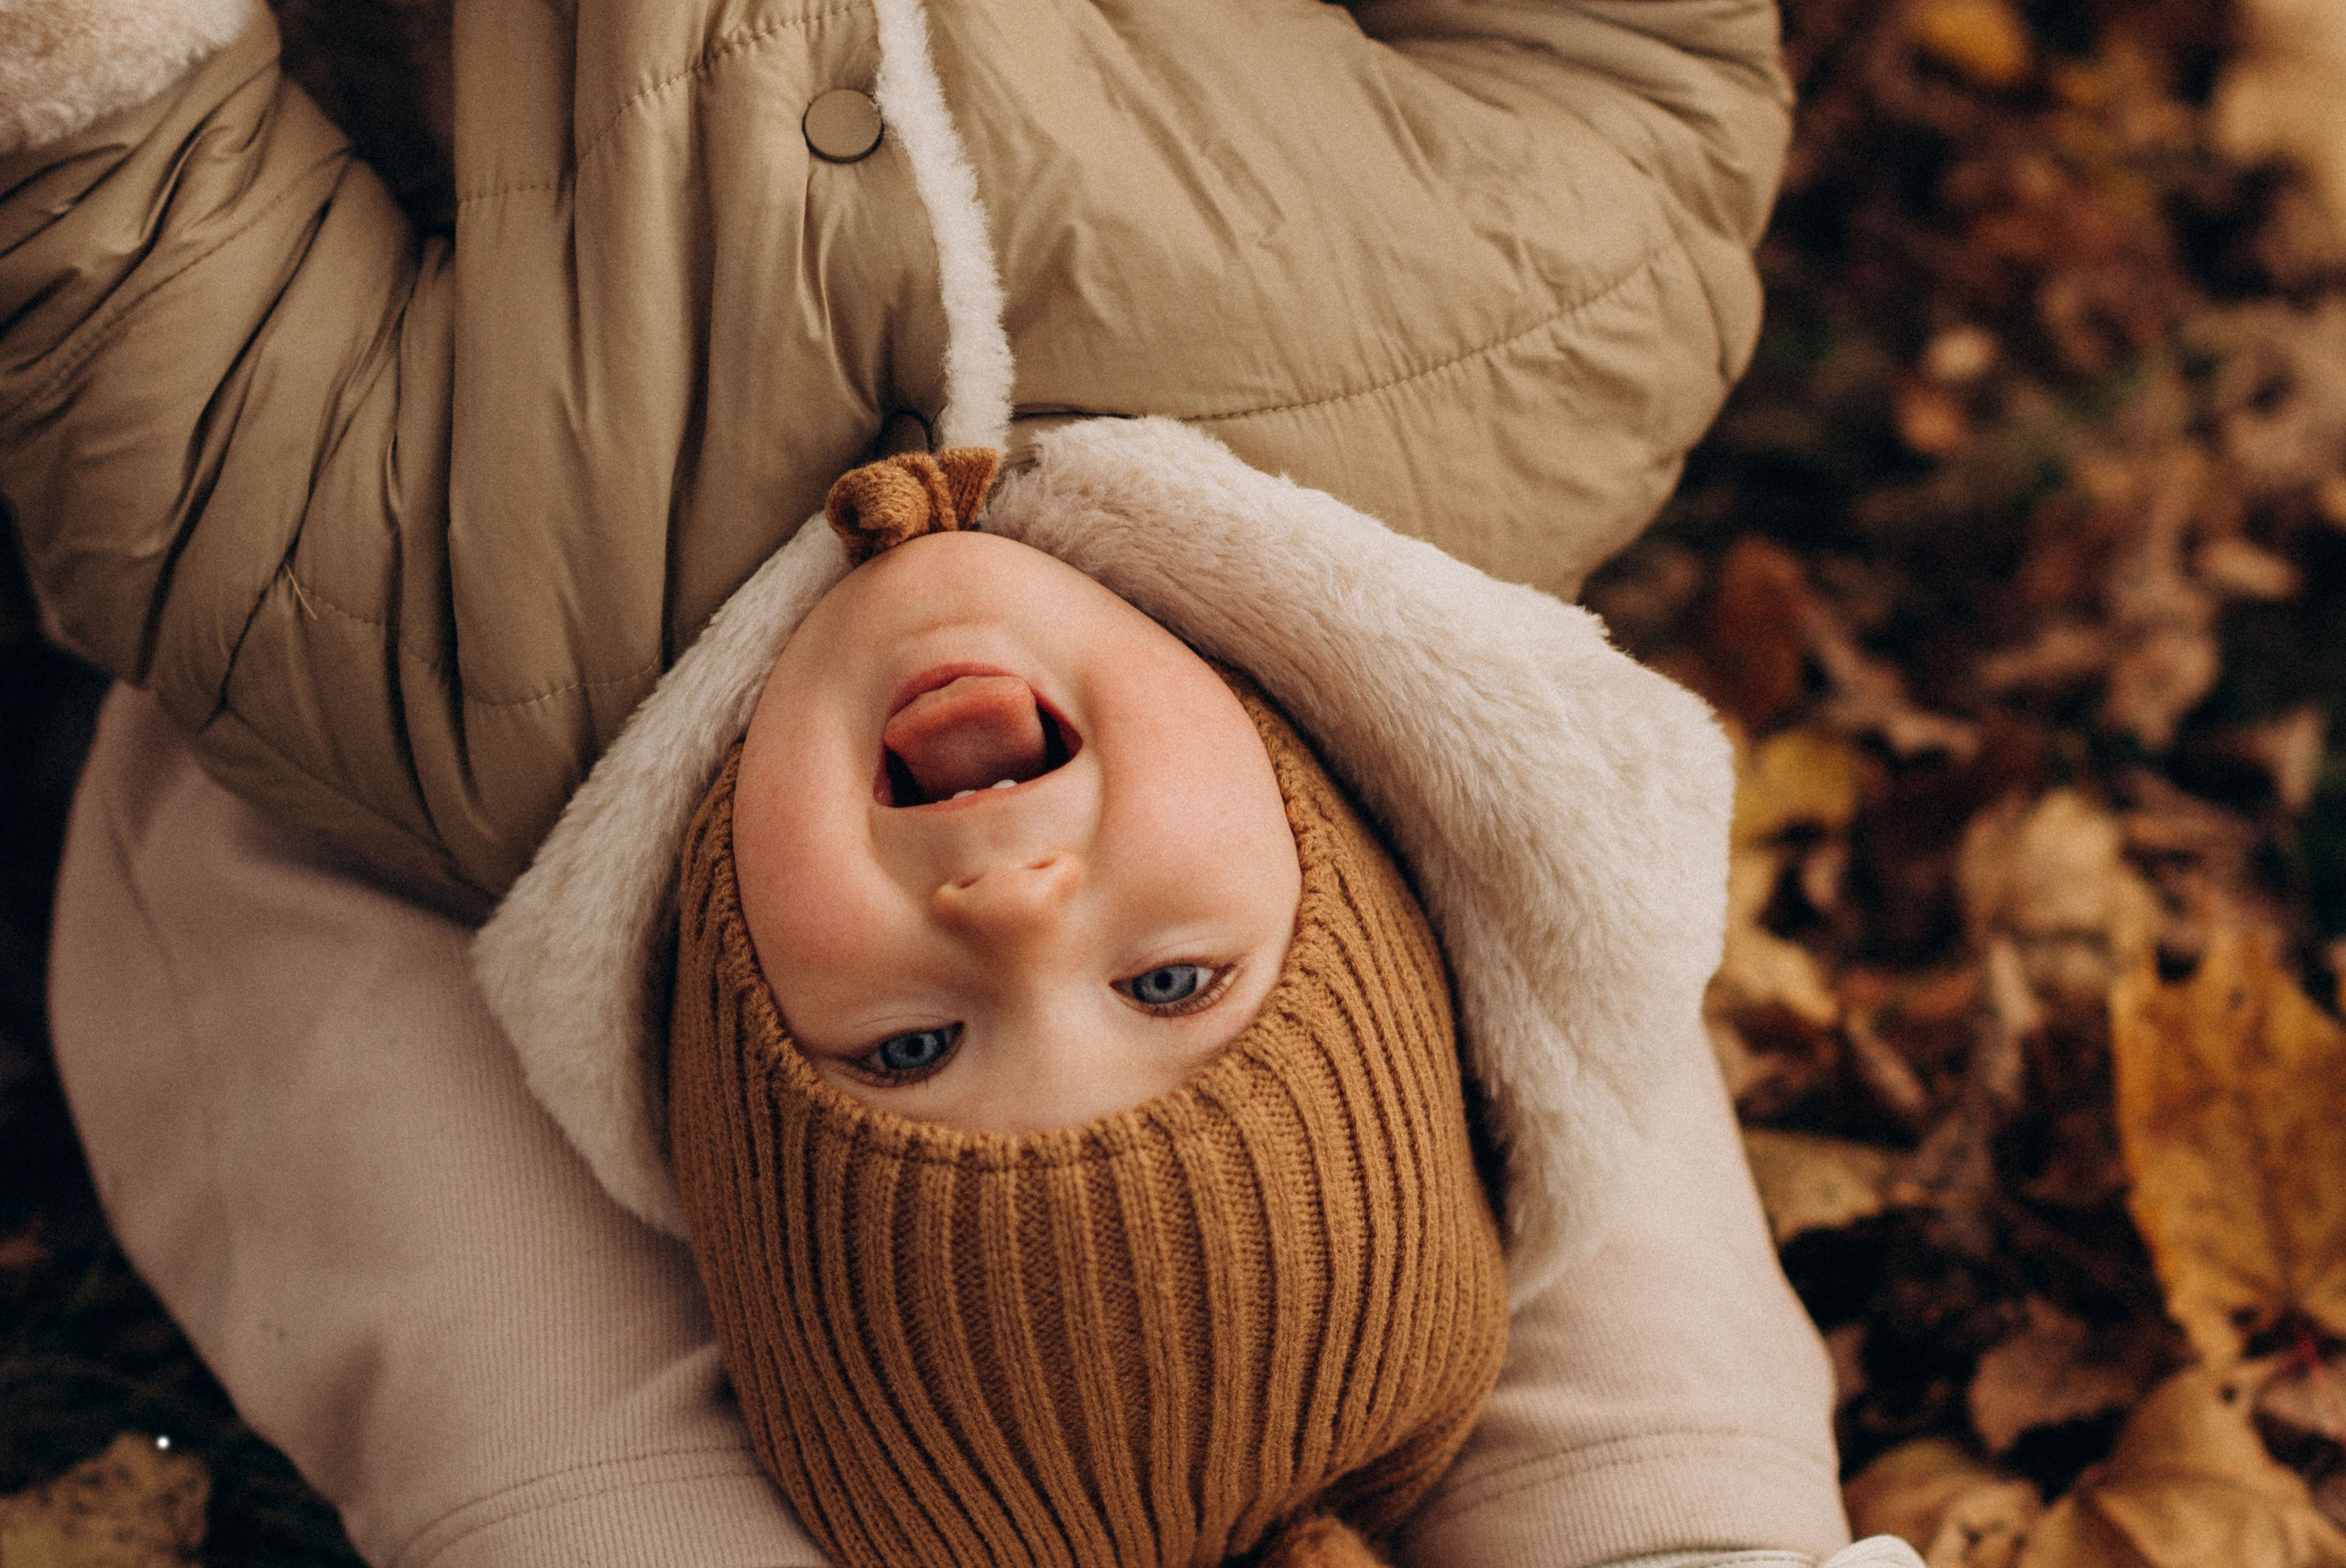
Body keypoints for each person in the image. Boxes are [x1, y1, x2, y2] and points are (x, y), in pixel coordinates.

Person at [4, 0, 1924, 1563]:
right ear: (1375, 875)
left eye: (908, 1049)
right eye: (1171, 983)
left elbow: (129, 195)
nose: (1011, 913)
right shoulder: (1535, 351)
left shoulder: (391, 626)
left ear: (717, 1037)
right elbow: (1625, 65)